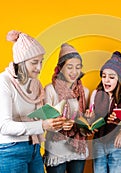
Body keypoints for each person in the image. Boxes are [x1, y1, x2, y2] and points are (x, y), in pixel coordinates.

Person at [0, 30, 66, 173]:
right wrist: (42, 125)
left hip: (33, 147)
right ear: (20, 62)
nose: (39, 68)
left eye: (41, 61)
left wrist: (56, 122)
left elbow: (36, 117)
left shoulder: (35, 84)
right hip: (9, 150)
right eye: (34, 62)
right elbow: (3, 126)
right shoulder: (2, 83)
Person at [43, 43, 90, 173]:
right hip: (57, 147)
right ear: (60, 68)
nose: (74, 72)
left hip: (77, 147)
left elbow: (84, 120)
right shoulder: (50, 90)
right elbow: (46, 119)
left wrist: (88, 119)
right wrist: (62, 124)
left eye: (78, 67)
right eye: (69, 67)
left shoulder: (84, 91)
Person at [86, 51, 121, 173]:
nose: (106, 80)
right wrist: (89, 120)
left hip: (116, 145)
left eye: (111, 77)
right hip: (98, 144)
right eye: (104, 76)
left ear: (118, 79)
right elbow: (91, 118)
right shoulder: (95, 94)